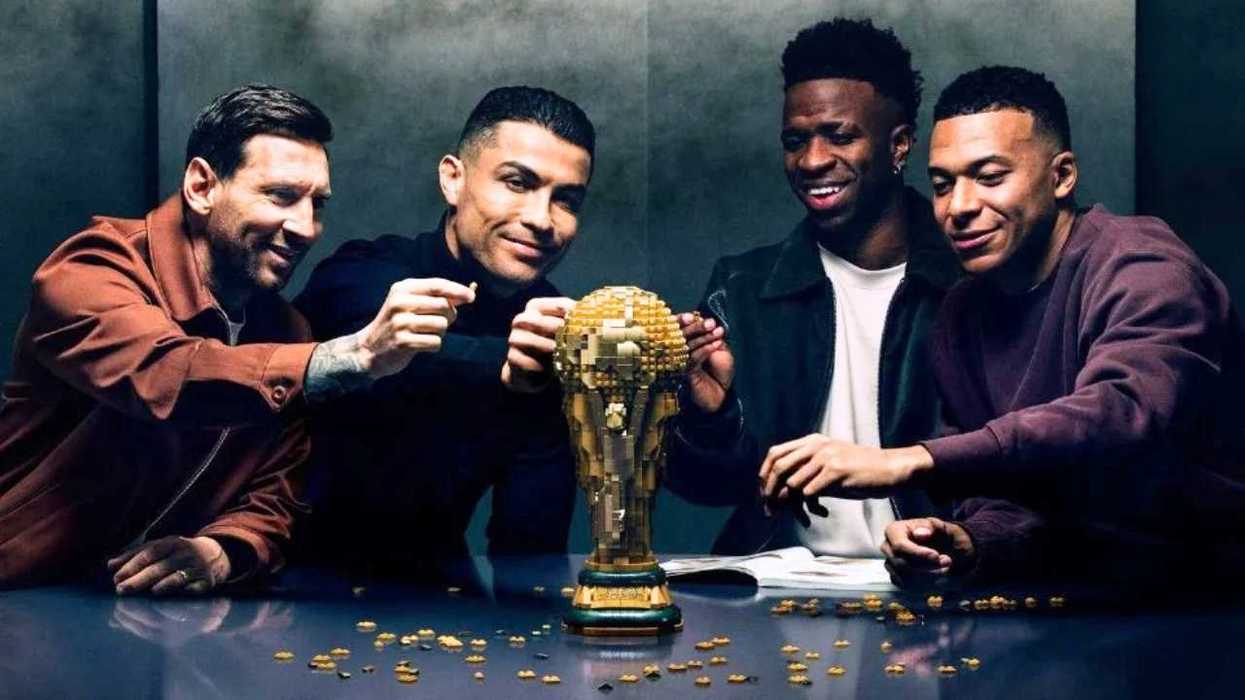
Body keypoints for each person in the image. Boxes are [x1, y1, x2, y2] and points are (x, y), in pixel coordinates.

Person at [761, 66, 1245, 584]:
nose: (960, 207)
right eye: (943, 185)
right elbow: (1005, 491)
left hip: (1205, 609)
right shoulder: (961, 314)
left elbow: (1124, 417)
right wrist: (968, 541)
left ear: (1061, 177)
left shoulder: (1143, 267)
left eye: (990, 177)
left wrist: (909, 460)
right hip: (1068, 614)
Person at [0, 84, 472, 592]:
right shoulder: (90, 269)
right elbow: (168, 374)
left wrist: (222, 549)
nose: (306, 227)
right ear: (202, 186)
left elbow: (280, 492)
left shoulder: (288, 330)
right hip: (21, 599)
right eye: (282, 196)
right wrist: (356, 353)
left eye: (317, 204)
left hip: (145, 621)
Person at [667, 19, 963, 558]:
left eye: (840, 135)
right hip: (781, 591)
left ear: (900, 145)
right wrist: (709, 416)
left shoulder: (968, 284)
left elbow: (1012, 465)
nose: (812, 160)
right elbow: (705, 488)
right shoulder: (743, 289)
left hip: (939, 584)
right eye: (795, 141)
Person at [293, 86, 593, 572]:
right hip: (282, 579)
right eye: (517, 183)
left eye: (566, 200)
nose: (541, 219)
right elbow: (401, 356)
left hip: (441, 588)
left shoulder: (550, 325)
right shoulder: (360, 275)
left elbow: (529, 545)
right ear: (453, 180)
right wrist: (513, 371)